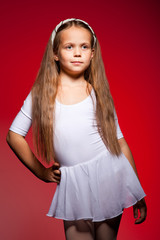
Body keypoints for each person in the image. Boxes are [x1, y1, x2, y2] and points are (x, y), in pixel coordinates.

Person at [6, 18, 147, 240]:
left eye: (84, 47)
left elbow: (119, 141)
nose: (77, 53)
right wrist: (42, 172)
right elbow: (14, 135)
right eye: (69, 47)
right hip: (74, 186)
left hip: (110, 178)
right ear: (55, 53)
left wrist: (136, 191)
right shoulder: (41, 94)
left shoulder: (97, 93)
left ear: (92, 54)